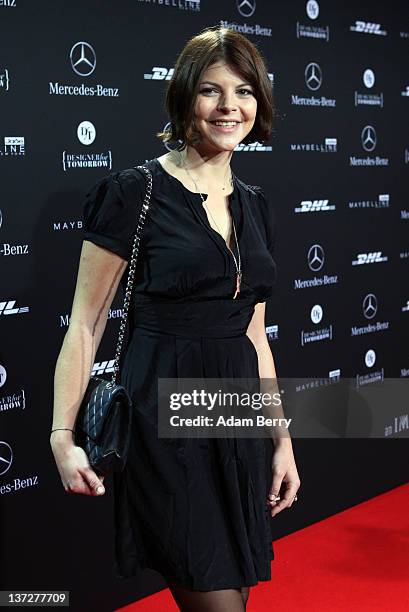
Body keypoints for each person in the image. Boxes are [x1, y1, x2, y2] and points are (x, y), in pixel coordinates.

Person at [50, 25, 300, 612]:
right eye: (211, 90)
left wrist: (281, 439)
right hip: (166, 420)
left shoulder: (257, 204)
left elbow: (255, 335)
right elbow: (85, 326)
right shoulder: (133, 193)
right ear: (185, 97)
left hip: (236, 419)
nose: (229, 106)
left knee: (233, 589)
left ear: (259, 102)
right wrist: (62, 438)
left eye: (243, 91)